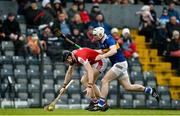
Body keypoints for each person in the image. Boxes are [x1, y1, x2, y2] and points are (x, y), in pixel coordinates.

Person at [89, 27, 159, 111]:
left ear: (100, 34)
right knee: (128, 87)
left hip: (120, 64)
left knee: (104, 80)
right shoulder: (102, 41)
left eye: (95, 35)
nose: (94, 37)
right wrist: (88, 51)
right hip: (120, 64)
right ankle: (150, 90)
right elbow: (101, 51)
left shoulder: (109, 39)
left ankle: (102, 103)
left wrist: (102, 56)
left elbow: (113, 51)